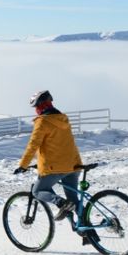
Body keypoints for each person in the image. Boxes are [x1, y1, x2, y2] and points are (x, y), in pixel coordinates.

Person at [15, 90, 83, 222]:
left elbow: (33, 145)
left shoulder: (42, 122)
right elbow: (57, 144)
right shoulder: (63, 119)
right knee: (73, 199)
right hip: (73, 165)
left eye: (36, 107)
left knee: (37, 191)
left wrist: (23, 165)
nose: (36, 110)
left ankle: (61, 203)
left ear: (40, 106)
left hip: (54, 168)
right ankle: (87, 231)